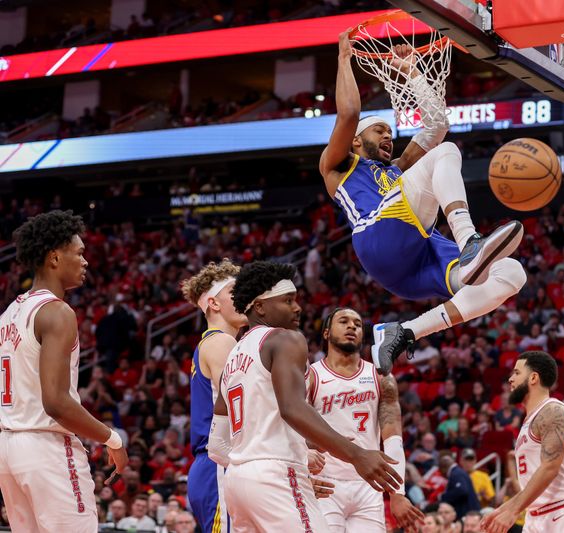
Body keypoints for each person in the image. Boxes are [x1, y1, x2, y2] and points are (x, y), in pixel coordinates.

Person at [320, 33, 525, 375]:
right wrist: (343, 60)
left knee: (512, 273)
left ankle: (403, 332)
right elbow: (350, 112)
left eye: (390, 132)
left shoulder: (398, 169)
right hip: (378, 234)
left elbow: (437, 126)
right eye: (379, 131)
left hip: (412, 263)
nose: (388, 137)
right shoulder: (338, 166)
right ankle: (469, 241)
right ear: (356, 140)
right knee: (445, 153)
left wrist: (413, 72)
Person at [208, 261, 402, 530]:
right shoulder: (286, 339)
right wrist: (356, 454)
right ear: (260, 306)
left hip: (238, 483)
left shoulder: (234, 356)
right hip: (276, 476)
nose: (297, 307)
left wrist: (257, 465)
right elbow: (292, 408)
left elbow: (217, 445)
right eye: (288, 300)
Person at [0, 210, 128, 532]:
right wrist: (112, 439)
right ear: (55, 258)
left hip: (9, 448)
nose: (85, 261)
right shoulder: (56, 312)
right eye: (80, 253)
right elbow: (55, 402)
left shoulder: (9, 314)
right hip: (47, 449)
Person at [307, 307, 424, 531]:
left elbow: (393, 438)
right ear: (326, 333)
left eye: (358, 324)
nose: (352, 326)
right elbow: (293, 430)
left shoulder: (381, 378)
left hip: (369, 484)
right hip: (324, 481)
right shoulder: (311, 376)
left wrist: (397, 494)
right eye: (344, 321)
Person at [482, 351, 564, 533]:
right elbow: (533, 482)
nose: (511, 379)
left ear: (533, 377)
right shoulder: (529, 420)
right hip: (536, 516)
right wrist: (504, 508)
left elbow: (550, 467)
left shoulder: (552, 411)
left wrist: (513, 510)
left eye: (517, 373)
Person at [181, 259, 247, 533]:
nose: (246, 297)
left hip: (216, 464)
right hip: (218, 463)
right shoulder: (221, 341)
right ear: (214, 304)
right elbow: (240, 406)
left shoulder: (216, 341)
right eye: (236, 292)